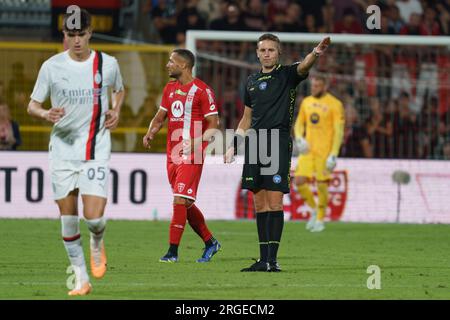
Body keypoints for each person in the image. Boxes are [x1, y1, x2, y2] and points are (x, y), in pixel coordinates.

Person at [27, 9, 125, 296]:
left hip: (95, 148)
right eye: (71, 35)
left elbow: (119, 90)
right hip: (62, 151)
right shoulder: (51, 67)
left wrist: (115, 110)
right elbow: (32, 105)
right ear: (64, 36)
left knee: (94, 218)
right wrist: (45, 113)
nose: (77, 41)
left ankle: (97, 241)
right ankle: (81, 279)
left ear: (90, 33)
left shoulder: (108, 64)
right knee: (68, 217)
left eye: (81, 35)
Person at [224, 33, 331, 272]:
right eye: (263, 50)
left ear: (278, 52)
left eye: (271, 50)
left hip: (277, 142)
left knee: (275, 202)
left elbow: (304, 66)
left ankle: (273, 260)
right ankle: (263, 260)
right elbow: (246, 119)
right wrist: (233, 145)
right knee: (259, 203)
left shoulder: (287, 75)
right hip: (255, 144)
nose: (267, 54)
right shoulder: (251, 81)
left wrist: (315, 53)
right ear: (257, 53)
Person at [143, 48, 221, 263]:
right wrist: (150, 132)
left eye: (171, 61)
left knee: (179, 199)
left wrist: (197, 142)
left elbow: (214, 125)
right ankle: (210, 242)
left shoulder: (203, 91)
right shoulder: (169, 89)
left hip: (193, 152)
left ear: (183, 65)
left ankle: (172, 252)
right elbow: (160, 118)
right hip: (172, 154)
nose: (167, 65)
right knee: (184, 203)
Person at [293, 76, 345, 233]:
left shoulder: (335, 104)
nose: (314, 88)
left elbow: (338, 131)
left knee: (322, 185)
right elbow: (299, 123)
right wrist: (299, 137)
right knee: (299, 181)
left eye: (317, 85)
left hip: (325, 152)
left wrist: (334, 154)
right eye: (312, 85)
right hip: (308, 151)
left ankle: (321, 219)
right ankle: (314, 209)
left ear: (325, 86)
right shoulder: (306, 102)